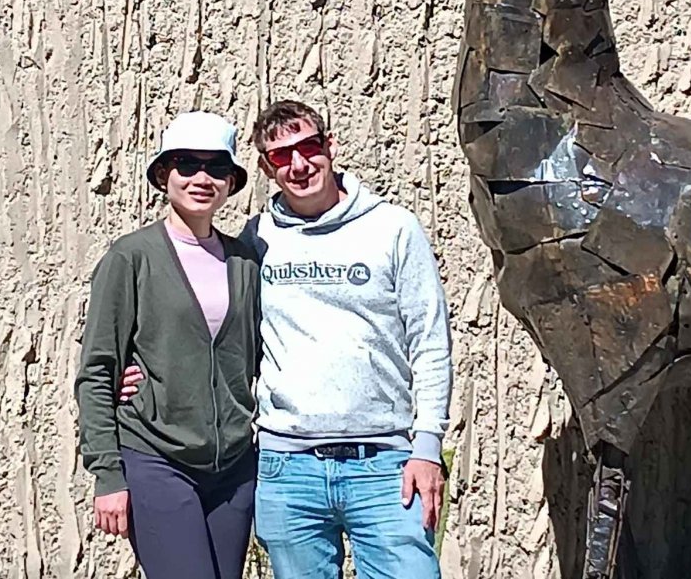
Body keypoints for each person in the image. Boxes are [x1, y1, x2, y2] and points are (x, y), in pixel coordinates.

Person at [124, 99, 453, 579]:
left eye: (308, 147)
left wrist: (427, 447)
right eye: (281, 155)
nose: (298, 164)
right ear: (265, 167)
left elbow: (429, 341)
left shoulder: (393, 229)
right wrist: (140, 378)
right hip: (287, 467)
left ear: (330, 146)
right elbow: (218, 332)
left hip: (385, 466)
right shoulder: (257, 241)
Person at [73, 111, 261, 579]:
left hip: (234, 468)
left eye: (217, 167)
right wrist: (108, 474)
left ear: (232, 181)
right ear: (164, 175)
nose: (202, 178)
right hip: (156, 459)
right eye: (187, 164)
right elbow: (98, 371)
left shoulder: (245, 261)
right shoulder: (131, 258)